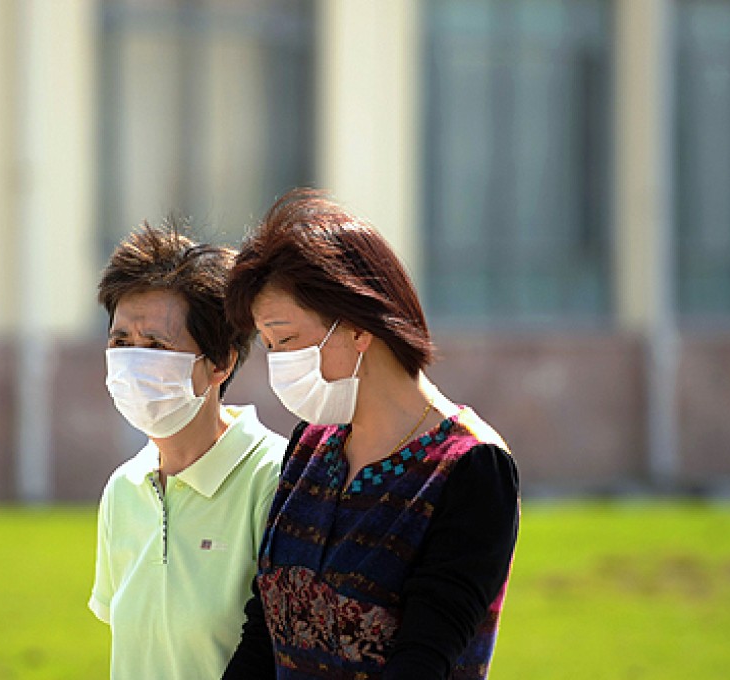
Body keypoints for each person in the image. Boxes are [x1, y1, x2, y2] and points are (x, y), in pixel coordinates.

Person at [220, 189, 520, 680]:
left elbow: (424, 658)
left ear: (359, 324)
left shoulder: (470, 468)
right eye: (270, 346)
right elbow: (265, 632)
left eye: (288, 340)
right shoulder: (310, 448)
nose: (279, 364)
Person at [89, 218, 287, 680]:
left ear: (221, 362)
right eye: (121, 341)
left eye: (156, 344)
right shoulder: (124, 489)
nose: (134, 359)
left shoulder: (275, 480)